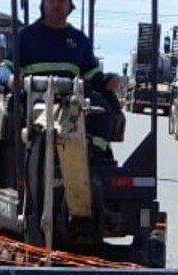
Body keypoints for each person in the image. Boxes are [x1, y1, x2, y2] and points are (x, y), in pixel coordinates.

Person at [16, 0, 122, 158]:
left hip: (72, 102)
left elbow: (93, 77)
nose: (56, 5)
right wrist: (10, 78)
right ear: (43, 4)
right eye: (52, 0)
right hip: (34, 101)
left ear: (69, 6)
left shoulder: (79, 40)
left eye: (62, 1)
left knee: (102, 111)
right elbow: (7, 67)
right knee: (11, 116)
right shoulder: (26, 36)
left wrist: (108, 82)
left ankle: (95, 156)